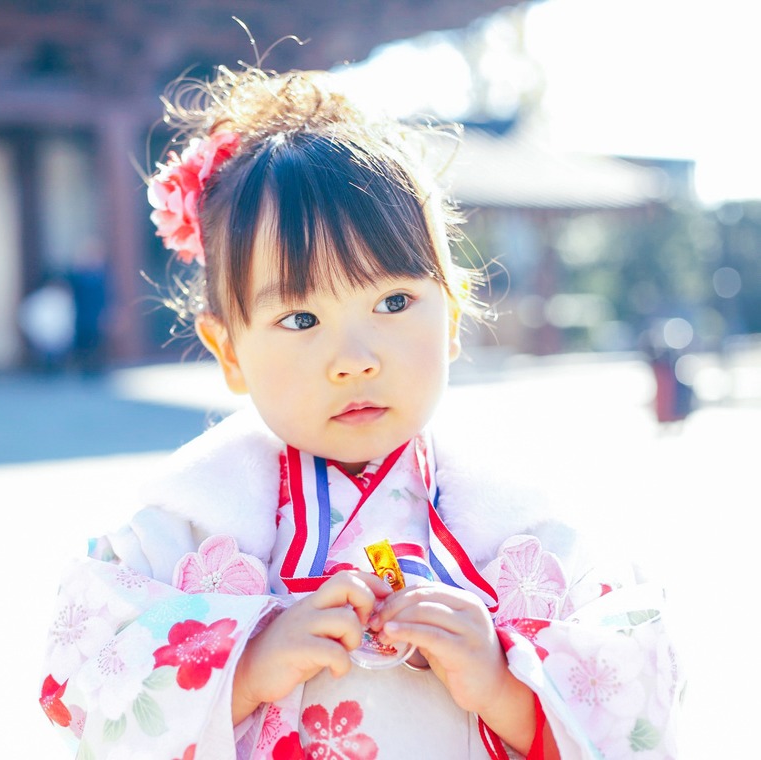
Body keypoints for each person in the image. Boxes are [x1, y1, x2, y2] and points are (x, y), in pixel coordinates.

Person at [40, 65, 681, 759]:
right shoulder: (183, 529)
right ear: (227, 350)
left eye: (395, 304)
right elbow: (85, 695)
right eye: (301, 317)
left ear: (453, 317)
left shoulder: (528, 532)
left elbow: (638, 697)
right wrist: (244, 671)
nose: (355, 358)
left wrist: (505, 687)